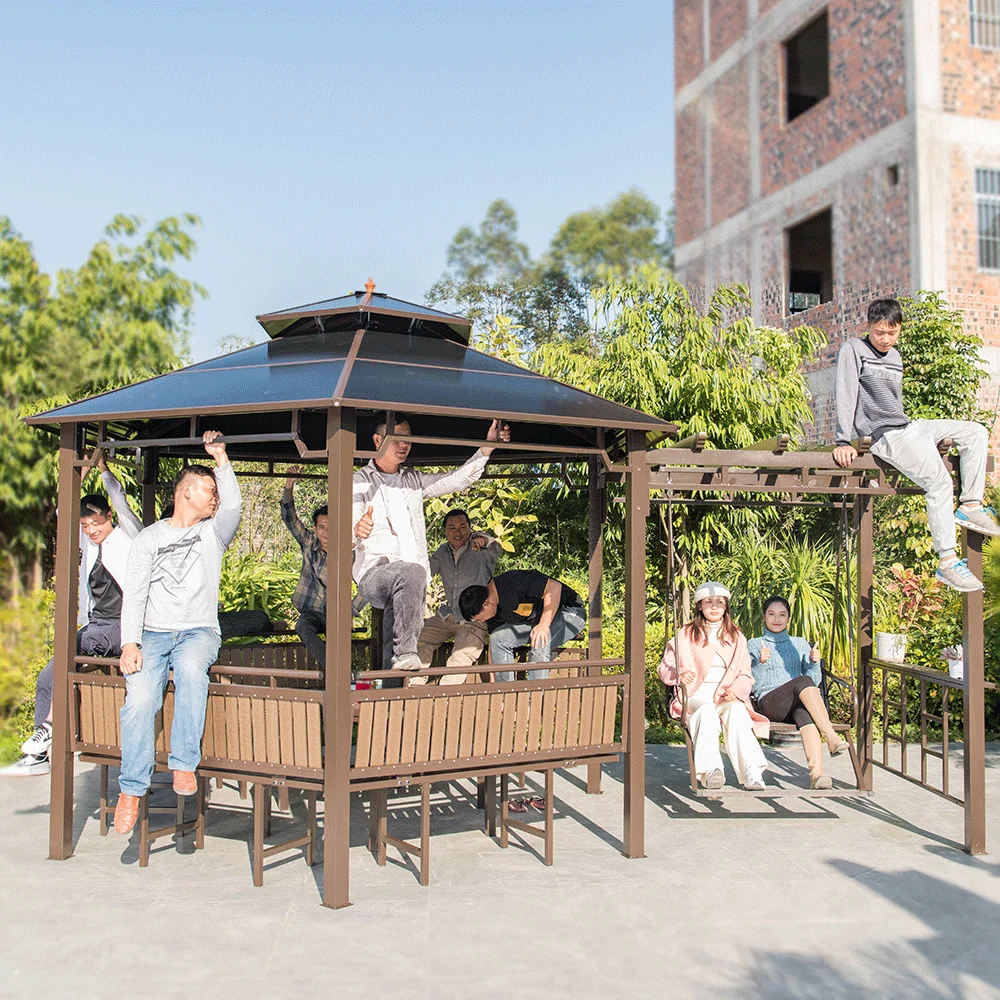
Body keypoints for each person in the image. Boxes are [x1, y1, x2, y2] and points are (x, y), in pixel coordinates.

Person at [113, 431, 242, 835]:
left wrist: (220, 458)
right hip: (152, 634)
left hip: (198, 631)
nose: (215, 497)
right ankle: (131, 790)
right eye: (209, 490)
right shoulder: (149, 538)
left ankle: (184, 763)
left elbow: (234, 505)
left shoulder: (213, 534)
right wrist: (129, 643)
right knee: (139, 702)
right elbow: (134, 594)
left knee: (189, 670)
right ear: (186, 491)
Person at [833, 297, 1000, 591]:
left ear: (899, 329)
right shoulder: (854, 349)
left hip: (910, 427)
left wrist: (918, 437)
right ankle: (947, 561)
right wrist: (844, 440)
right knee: (939, 482)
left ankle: (971, 505)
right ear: (868, 326)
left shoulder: (895, 357)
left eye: (892, 333)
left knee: (975, 432)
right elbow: (845, 393)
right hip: (884, 435)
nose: (885, 339)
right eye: (879, 332)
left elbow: (894, 403)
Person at [2, 450, 142, 777]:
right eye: (85, 525)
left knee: (75, 647)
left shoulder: (128, 536)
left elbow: (121, 503)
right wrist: (80, 470)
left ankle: (51, 725)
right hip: (95, 625)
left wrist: (103, 470)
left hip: (124, 626)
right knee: (47, 678)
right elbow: (63, 510)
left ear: (109, 517)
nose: (91, 530)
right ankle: (41, 753)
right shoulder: (88, 542)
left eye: (97, 523)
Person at [352, 414, 509, 686]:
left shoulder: (412, 481)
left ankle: (390, 698)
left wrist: (486, 448)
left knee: (393, 650)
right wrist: (356, 529)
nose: (404, 445)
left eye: (408, 439)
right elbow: (343, 529)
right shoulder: (359, 481)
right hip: (375, 575)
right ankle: (406, 652)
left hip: (409, 588)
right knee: (412, 573)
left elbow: (454, 480)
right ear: (377, 440)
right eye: (397, 439)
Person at [656, 582, 769, 791]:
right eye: (709, 602)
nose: (714, 607)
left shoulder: (736, 637)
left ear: (726, 606)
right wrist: (680, 675)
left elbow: (745, 674)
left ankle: (752, 772)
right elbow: (665, 667)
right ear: (700, 606)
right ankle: (712, 771)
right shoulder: (686, 634)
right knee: (706, 712)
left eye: (719, 602)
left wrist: (736, 691)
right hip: (695, 694)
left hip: (725, 695)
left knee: (738, 713)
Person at [746, 596, 848, 790]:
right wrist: (760, 663)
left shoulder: (799, 644)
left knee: (806, 715)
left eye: (782, 614)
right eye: (772, 614)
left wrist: (814, 663)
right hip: (769, 703)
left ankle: (816, 774)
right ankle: (831, 736)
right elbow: (753, 685)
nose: (777, 619)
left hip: (795, 702)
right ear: (764, 617)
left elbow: (813, 683)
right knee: (802, 681)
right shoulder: (755, 644)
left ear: (789, 619)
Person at [413, 509, 502, 686]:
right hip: (448, 615)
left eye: (462, 527)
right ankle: (413, 687)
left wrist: (485, 540)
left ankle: (445, 696)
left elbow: (498, 549)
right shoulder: (442, 551)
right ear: (445, 531)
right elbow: (425, 572)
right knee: (416, 638)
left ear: (470, 528)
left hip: (475, 618)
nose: (457, 532)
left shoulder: (480, 548)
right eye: (452, 528)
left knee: (462, 655)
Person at [459, 569, 585, 681]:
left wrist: (544, 625)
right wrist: (493, 681)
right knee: (497, 638)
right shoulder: (492, 613)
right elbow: (494, 647)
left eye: (480, 618)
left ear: (486, 605)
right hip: (536, 623)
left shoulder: (513, 581)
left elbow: (554, 587)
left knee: (540, 640)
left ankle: (534, 695)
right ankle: (504, 692)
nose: (482, 621)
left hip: (570, 613)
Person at [281, 465, 328, 664]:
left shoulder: (348, 552)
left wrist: (352, 610)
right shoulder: (309, 543)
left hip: (336, 613)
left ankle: (346, 673)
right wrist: (289, 485)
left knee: (341, 636)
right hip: (311, 612)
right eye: (322, 527)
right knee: (302, 626)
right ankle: (334, 670)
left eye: (331, 527)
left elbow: (364, 584)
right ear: (315, 529)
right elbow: (290, 518)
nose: (326, 532)